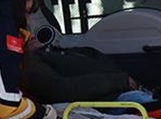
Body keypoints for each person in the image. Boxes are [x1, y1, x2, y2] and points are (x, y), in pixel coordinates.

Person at [21, 29, 152, 106]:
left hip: (121, 90)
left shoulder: (57, 52)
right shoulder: (31, 63)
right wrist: (120, 82)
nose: (32, 34)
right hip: (109, 101)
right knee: (152, 104)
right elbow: (61, 89)